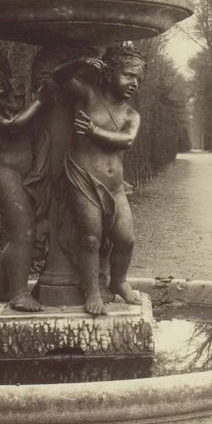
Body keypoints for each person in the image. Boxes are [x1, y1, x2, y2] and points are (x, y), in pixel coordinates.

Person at [49, 46, 145, 315]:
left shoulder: (131, 114)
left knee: (126, 239)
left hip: (115, 187)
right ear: (109, 73)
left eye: (138, 79)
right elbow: (59, 78)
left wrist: (93, 131)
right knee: (90, 238)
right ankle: (92, 292)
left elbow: (126, 140)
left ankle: (119, 281)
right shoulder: (88, 95)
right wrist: (78, 61)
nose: (134, 83)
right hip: (84, 177)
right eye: (128, 75)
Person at [0, 52, 50, 313]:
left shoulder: (10, 103)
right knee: (23, 232)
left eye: (0, 73)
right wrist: (38, 103)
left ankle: (1, 287)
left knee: (20, 233)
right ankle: (19, 294)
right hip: (4, 175)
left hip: (18, 175)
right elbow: (13, 127)